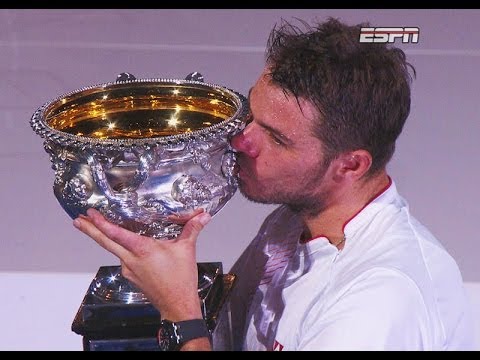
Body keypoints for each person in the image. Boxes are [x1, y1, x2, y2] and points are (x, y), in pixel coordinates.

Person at [72, 17, 474, 351]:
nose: (241, 140)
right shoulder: (293, 222)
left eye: (278, 138)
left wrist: (182, 315)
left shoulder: (380, 303)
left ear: (350, 165)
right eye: (250, 113)